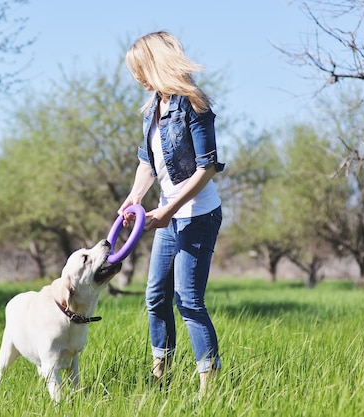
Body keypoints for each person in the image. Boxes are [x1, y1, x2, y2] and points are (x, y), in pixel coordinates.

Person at [119, 31, 225, 396]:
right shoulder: (152, 109)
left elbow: (207, 167)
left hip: (197, 213)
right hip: (168, 212)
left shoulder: (194, 105)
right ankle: (160, 375)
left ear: (156, 64)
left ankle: (208, 386)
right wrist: (134, 198)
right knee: (155, 296)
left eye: (140, 69)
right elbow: (147, 163)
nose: (137, 78)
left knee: (188, 299)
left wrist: (168, 209)